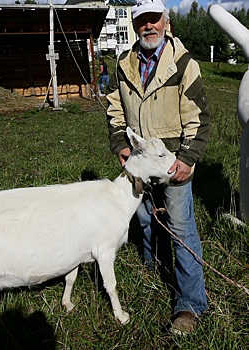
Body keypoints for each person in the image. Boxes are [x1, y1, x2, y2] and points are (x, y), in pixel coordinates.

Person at [106, 0, 210, 335]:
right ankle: (152, 267)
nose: (148, 27)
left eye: (154, 19)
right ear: (135, 25)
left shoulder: (182, 62)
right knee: (146, 218)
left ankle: (190, 306)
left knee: (181, 229)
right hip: (140, 160)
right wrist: (121, 143)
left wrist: (187, 159)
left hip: (173, 160)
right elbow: (115, 110)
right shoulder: (124, 63)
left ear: (165, 21)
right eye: (142, 21)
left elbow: (198, 118)